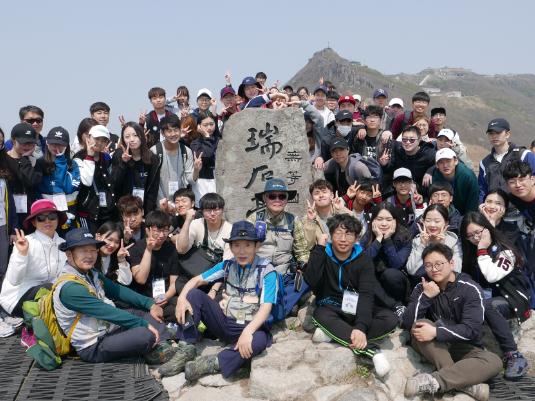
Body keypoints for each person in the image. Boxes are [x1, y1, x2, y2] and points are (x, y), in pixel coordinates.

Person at [159, 220, 278, 380]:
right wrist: (181, 299)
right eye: (236, 245)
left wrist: (248, 332)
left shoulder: (267, 271)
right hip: (224, 321)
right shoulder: (227, 265)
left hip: (250, 325)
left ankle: (213, 363)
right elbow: (196, 280)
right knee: (193, 295)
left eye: (248, 245)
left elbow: (266, 307)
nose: (242, 251)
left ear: (257, 246)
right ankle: (186, 348)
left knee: (259, 341)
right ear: (231, 248)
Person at [53, 228, 172, 363]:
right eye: (83, 251)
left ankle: (163, 346)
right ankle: (160, 346)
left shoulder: (90, 273)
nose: (90, 255)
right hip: (94, 345)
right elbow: (106, 312)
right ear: (69, 254)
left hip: (108, 329)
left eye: (93, 250)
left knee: (147, 313)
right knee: (145, 334)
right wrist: (143, 324)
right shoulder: (70, 287)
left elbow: (117, 290)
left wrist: (150, 304)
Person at [402, 243, 502, 401]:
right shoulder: (422, 287)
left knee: (494, 361)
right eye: (428, 265)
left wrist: (437, 332)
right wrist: (426, 297)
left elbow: (471, 330)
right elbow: (409, 323)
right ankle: (465, 385)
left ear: (451, 263)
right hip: (434, 345)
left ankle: (436, 381)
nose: (434, 269)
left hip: (463, 346)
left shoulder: (470, 289)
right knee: (421, 324)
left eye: (439, 264)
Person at [304, 214, 397, 378]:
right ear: (331, 235)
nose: (343, 239)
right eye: (338, 233)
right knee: (319, 314)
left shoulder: (364, 260)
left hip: (355, 307)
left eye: (348, 234)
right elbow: (311, 280)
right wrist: (319, 248)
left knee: (390, 319)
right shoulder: (323, 253)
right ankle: (372, 351)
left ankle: (334, 333)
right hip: (330, 306)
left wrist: (361, 327)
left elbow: (366, 295)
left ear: (356, 238)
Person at [460, 212, 530, 379]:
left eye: (478, 232)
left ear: (487, 228)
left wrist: (482, 249)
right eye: (470, 235)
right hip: (487, 299)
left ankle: (513, 354)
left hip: (512, 299)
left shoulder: (505, 250)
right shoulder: (470, 252)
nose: (475, 238)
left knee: (487, 306)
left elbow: (492, 275)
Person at [247, 179, 310, 319]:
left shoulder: (293, 220)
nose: (277, 200)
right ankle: (276, 309)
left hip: (284, 275)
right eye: (272, 196)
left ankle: (268, 310)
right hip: (259, 275)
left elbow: (302, 251)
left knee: (307, 281)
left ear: (286, 199)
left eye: (282, 196)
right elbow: (245, 249)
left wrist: (303, 265)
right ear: (265, 198)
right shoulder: (254, 219)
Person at [0, 200, 67, 320]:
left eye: (52, 216)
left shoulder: (63, 244)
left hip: (51, 293)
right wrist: (22, 254)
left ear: (58, 220)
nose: (47, 221)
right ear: (34, 222)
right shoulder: (25, 242)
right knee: (49, 289)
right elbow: (14, 280)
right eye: (41, 218)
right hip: (18, 298)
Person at [174, 193, 232, 295]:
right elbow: (181, 249)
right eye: (208, 210)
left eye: (216, 209)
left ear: (222, 210)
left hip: (215, 279)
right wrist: (187, 221)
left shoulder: (230, 230)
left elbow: (226, 265)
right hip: (190, 274)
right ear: (202, 211)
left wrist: (214, 289)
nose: (212, 214)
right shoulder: (196, 224)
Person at [128, 211, 179, 322]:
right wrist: (149, 250)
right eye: (157, 231)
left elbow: (174, 282)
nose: (161, 235)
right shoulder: (136, 249)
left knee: (180, 308)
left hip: (165, 297)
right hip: (144, 299)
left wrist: (164, 297)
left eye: (165, 230)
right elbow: (140, 279)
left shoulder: (171, 249)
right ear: (147, 230)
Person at [361, 202, 412, 308]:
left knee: (390, 275)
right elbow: (362, 262)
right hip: (374, 284)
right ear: (373, 220)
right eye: (379, 219)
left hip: (395, 282)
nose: (384, 224)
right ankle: (394, 306)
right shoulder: (368, 235)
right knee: (366, 274)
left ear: (395, 221)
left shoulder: (405, 236)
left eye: (388, 220)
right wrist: (378, 239)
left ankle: (399, 306)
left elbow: (396, 264)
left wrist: (387, 240)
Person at [35, 126, 80, 233]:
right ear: (47, 143)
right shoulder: (40, 163)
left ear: (67, 145)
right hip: (46, 214)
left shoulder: (72, 164)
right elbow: (36, 190)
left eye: (61, 144)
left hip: (69, 214)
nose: (57, 147)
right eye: (53, 144)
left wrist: (60, 161)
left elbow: (68, 188)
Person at [478, 118, 535, 202]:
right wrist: (481, 205)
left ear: (508, 134)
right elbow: (482, 190)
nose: (494, 136)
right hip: (496, 208)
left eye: (498, 132)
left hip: (522, 208)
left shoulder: (524, 155)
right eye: (491, 133)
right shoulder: (484, 163)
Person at [74, 125, 115, 234]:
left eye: (103, 140)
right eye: (96, 139)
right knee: (89, 242)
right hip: (87, 213)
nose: (99, 143)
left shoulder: (106, 158)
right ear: (88, 138)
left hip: (105, 212)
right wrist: (90, 156)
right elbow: (86, 182)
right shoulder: (79, 158)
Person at [112, 122, 160, 214]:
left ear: (142, 136)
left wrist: (147, 213)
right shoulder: (118, 155)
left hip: (143, 209)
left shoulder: (152, 158)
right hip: (123, 210)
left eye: (135, 135)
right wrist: (123, 163)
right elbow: (114, 184)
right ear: (123, 140)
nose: (132, 140)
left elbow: (153, 190)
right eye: (127, 137)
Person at [151, 114, 200, 202]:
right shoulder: (155, 151)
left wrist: (196, 170)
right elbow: (153, 181)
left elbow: (190, 180)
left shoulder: (186, 151)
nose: (173, 134)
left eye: (176, 130)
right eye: (169, 131)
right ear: (162, 133)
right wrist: (163, 202)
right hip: (160, 203)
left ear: (180, 131)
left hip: (180, 203)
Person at [406, 204, 462, 281]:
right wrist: (422, 245)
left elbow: (456, 270)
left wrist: (441, 246)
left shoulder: (453, 241)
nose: (432, 225)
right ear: (423, 221)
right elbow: (411, 270)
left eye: (437, 221)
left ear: (446, 223)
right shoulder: (418, 240)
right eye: (428, 221)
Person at [6, 123, 42, 226]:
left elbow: (32, 181)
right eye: (24, 143)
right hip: (9, 213)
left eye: (31, 143)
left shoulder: (34, 161)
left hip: (29, 214)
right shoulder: (4, 160)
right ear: (13, 140)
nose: (27, 146)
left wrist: (24, 158)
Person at [380, 125, 436, 191]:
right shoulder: (397, 149)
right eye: (404, 140)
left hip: (419, 189)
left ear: (419, 140)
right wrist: (384, 165)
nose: (408, 142)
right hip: (398, 187)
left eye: (412, 140)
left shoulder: (428, 153)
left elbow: (439, 163)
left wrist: (430, 171)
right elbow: (389, 172)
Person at [301, 179, 351, 250]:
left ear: (332, 195)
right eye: (317, 193)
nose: (321, 195)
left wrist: (341, 210)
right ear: (312, 198)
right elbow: (309, 246)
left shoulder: (341, 210)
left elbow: (359, 232)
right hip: (323, 254)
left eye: (324, 192)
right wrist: (310, 222)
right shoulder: (307, 219)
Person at [432, 148, 479, 215]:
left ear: (456, 161)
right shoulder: (435, 176)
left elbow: (473, 203)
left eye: (448, 161)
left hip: (465, 213)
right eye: (441, 162)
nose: (445, 165)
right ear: (437, 165)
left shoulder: (468, 176)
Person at [190, 113, 221, 203]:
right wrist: (207, 137)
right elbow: (207, 155)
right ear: (199, 126)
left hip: (218, 179)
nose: (209, 127)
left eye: (211, 124)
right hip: (202, 182)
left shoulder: (220, 141)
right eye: (205, 125)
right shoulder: (195, 143)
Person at [95, 222, 133, 286]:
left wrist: (121, 260)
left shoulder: (116, 257)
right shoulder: (90, 255)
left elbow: (126, 281)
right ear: (98, 237)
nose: (112, 245)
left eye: (117, 242)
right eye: (109, 240)